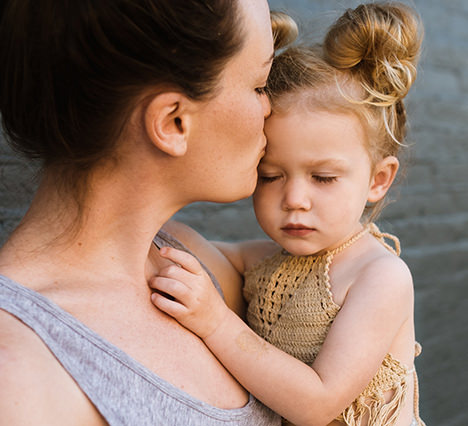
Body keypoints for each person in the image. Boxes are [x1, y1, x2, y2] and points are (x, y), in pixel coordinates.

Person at [0, 1, 298, 424]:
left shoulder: (192, 263)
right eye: (259, 85)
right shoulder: (19, 374)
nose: (270, 109)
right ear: (173, 122)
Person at [149, 3, 425, 425]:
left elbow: (318, 403)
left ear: (378, 180)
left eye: (324, 178)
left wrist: (216, 323)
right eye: (270, 175)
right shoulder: (264, 262)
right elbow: (182, 243)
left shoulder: (378, 277)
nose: (294, 198)